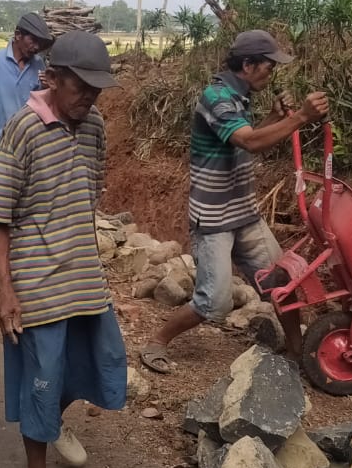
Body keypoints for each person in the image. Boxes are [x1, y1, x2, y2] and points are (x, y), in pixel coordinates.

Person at [0, 31, 126, 468]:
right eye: (80, 85)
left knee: (101, 361)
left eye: (97, 88)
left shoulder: (95, 129)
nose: (89, 96)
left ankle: (52, 418)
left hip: (83, 274)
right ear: (54, 78)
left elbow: (88, 195)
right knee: (42, 376)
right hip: (36, 279)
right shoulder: (23, 128)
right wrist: (5, 290)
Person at [140, 30, 329, 374]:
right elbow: (250, 143)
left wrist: (275, 118)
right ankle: (157, 341)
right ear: (247, 64)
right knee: (213, 302)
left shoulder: (237, 96)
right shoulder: (216, 96)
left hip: (244, 214)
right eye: (268, 67)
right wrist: (299, 117)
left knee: (281, 284)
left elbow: (243, 136)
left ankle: (298, 350)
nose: (271, 74)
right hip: (213, 219)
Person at [0, 12, 55, 270]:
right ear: (18, 35)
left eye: (41, 42)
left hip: (28, 143)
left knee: (24, 197)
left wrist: (48, 88)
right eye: (33, 40)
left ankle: (17, 247)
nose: (36, 46)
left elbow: (46, 106)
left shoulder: (40, 67)